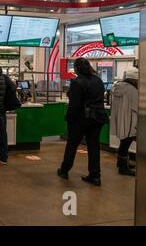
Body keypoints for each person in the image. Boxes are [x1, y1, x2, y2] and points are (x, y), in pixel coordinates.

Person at [58, 58, 108, 186]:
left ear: (76, 68)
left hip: (81, 119)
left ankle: (64, 170)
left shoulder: (77, 82)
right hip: (98, 118)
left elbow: (74, 106)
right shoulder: (98, 80)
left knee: (72, 144)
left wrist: (69, 119)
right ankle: (95, 176)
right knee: (93, 147)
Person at [111, 68, 138, 177]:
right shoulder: (133, 90)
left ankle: (122, 164)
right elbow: (137, 107)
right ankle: (123, 168)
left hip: (121, 120)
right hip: (130, 121)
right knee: (125, 143)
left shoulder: (118, 87)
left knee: (124, 143)